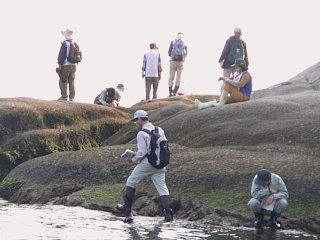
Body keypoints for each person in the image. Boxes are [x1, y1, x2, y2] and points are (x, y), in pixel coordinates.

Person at [116, 110, 173, 222]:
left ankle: (127, 209)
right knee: (162, 188)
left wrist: (133, 159)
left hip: (148, 162)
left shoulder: (142, 133)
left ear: (140, 119)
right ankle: (168, 214)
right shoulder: (159, 129)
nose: (136, 123)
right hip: (160, 163)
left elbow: (142, 152)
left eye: (136, 121)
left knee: (131, 181)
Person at [57, 29, 79, 101]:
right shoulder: (75, 43)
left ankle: (64, 96)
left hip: (65, 65)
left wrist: (59, 64)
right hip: (73, 65)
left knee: (63, 80)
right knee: (71, 81)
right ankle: (72, 97)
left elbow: (61, 54)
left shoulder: (65, 43)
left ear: (66, 35)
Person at [168, 32, 188, 97]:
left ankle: (170, 92)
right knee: (178, 78)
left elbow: (169, 52)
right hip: (181, 62)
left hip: (173, 61)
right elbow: (186, 53)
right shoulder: (184, 42)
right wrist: (183, 58)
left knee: (171, 77)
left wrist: (172, 56)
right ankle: (175, 92)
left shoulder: (173, 41)